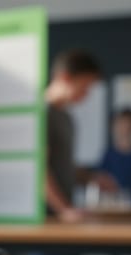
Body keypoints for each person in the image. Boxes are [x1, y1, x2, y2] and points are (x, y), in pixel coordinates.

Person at [45, 49, 103, 222]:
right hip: (47, 219)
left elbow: (63, 164)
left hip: (64, 216)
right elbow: (39, 170)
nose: (87, 94)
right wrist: (64, 209)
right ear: (65, 78)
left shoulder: (67, 117)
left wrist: (91, 178)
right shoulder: (41, 114)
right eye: (85, 86)